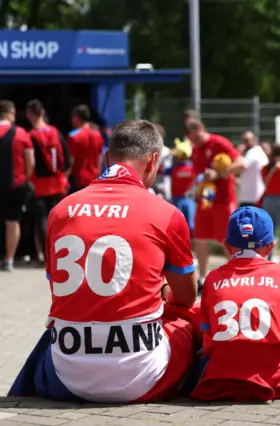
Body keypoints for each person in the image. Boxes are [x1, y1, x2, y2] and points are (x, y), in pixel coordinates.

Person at [9, 120, 198, 402]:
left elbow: (60, 289)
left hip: (67, 375)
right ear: (153, 160)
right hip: (141, 377)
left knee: (52, 330)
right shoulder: (167, 213)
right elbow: (185, 297)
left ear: (107, 158)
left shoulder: (61, 210)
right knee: (189, 317)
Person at [189, 206, 280, 401]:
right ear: (271, 246)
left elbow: (206, 337)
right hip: (274, 380)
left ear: (226, 245)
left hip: (218, 380)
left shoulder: (213, 278)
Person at [187, 119, 246, 287]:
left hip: (223, 200)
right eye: (193, 139)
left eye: (197, 138)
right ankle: (203, 278)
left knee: (228, 239)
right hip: (205, 201)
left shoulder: (219, 143)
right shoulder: (195, 149)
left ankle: (233, 276)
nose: (196, 142)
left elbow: (241, 164)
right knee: (200, 238)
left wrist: (219, 174)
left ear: (202, 129)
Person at [26, 99, 70, 264]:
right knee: (57, 222)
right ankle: (60, 254)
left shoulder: (30, 136)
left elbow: (29, 162)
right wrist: (63, 178)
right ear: (43, 112)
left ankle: (45, 256)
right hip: (57, 184)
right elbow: (66, 160)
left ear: (30, 115)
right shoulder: (55, 132)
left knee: (41, 221)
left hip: (38, 186)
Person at [0, 100, 35, 272]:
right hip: (15, 185)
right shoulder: (21, 133)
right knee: (12, 222)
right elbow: (30, 161)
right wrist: (26, 179)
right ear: (10, 114)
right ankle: (9, 259)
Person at [67, 104, 104, 194]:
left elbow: (70, 161)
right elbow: (100, 158)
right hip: (94, 179)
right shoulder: (98, 135)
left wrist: (65, 178)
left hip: (79, 181)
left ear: (76, 118)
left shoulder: (74, 136)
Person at [164, 138, 196, 236]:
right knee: (189, 224)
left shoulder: (174, 168)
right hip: (186, 199)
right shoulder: (192, 167)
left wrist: (169, 155)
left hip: (181, 199)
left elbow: (161, 171)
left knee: (180, 224)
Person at [238, 131, 269, 207]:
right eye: (244, 140)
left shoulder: (253, 152)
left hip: (251, 198)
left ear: (254, 139)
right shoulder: (258, 152)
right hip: (255, 196)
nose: (245, 143)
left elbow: (241, 166)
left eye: (247, 140)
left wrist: (237, 153)